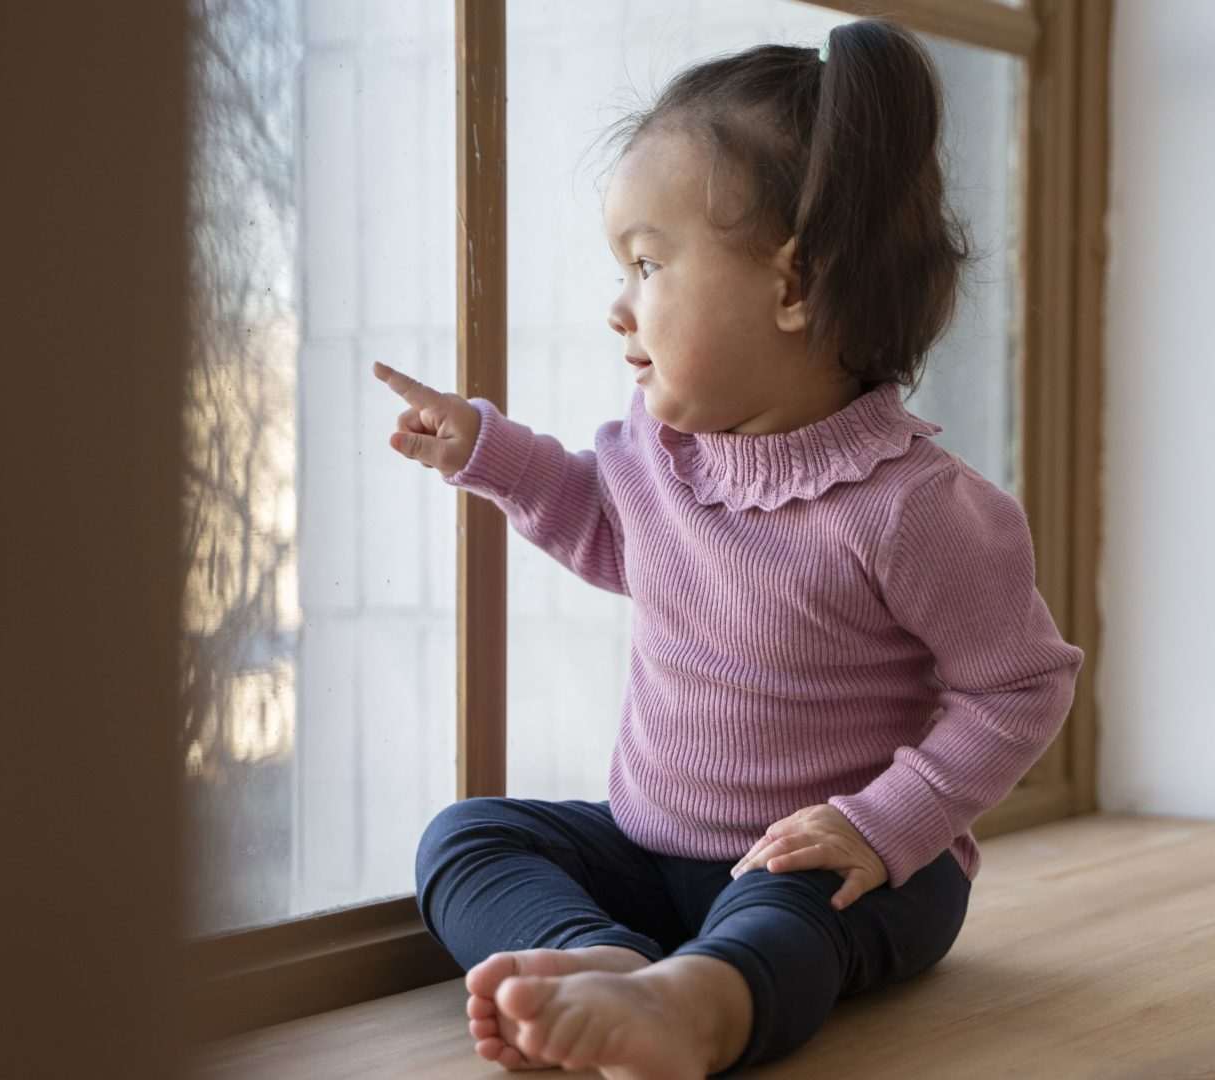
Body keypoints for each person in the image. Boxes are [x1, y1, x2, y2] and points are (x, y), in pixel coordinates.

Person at [377, 19, 1082, 1076]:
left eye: (649, 264)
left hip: (839, 868)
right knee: (468, 837)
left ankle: (704, 1004)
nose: (619, 307)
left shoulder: (915, 506)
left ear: (794, 288)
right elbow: (607, 530)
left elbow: (1018, 688)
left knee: (790, 922)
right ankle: (602, 960)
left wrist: (884, 824)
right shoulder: (660, 456)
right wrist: (489, 449)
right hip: (649, 846)